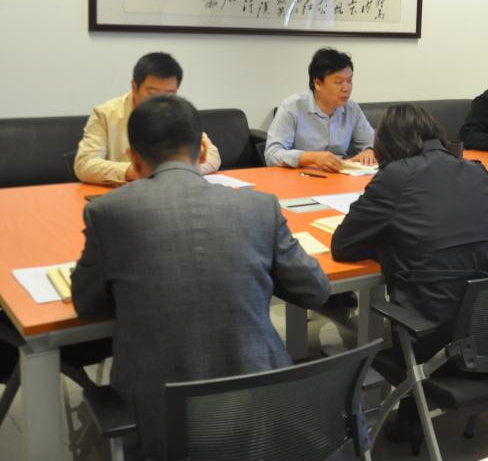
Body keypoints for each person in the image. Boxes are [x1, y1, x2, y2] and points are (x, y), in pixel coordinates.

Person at [71, 95, 329, 461]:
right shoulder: (260, 208)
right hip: (260, 416)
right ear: (203, 150)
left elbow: (85, 303)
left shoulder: (109, 213)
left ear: (133, 158)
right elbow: (316, 290)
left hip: (157, 424)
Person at [332, 104, 488, 446]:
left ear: (387, 144)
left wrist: (391, 241)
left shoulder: (395, 177)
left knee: (431, 296)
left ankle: (402, 418)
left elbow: (343, 246)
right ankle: (411, 418)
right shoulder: (476, 170)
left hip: (439, 342)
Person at [74, 52, 221, 185]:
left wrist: (173, 173)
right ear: (134, 86)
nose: (161, 102)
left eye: (170, 93)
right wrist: (134, 171)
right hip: (124, 193)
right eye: (153, 93)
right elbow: (85, 164)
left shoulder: (178, 112)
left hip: (172, 189)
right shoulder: (105, 114)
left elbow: (212, 155)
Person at [265, 47, 376, 170]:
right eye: (339, 82)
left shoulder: (352, 109)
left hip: (341, 174)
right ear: (317, 83)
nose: (346, 88)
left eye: (349, 81)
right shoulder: (292, 107)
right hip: (302, 175)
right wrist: (311, 157)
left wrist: (370, 150)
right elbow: (272, 154)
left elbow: (374, 142)